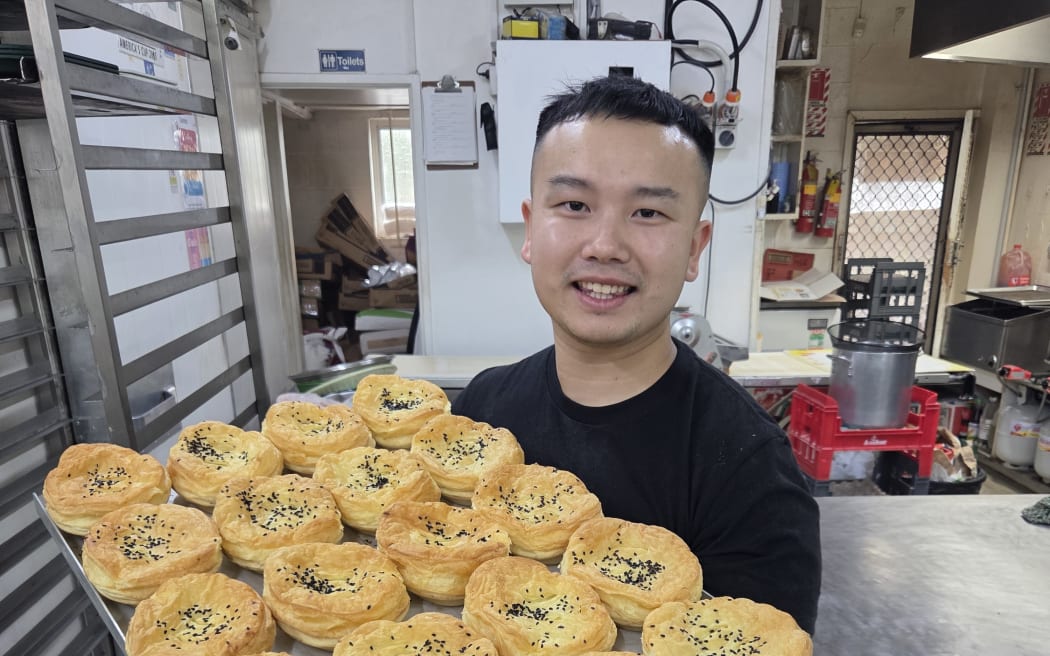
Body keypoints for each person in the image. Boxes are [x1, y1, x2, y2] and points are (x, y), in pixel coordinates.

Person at [450, 75, 821, 634]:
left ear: (695, 249)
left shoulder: (748, 468)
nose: (605, 245)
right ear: (531, 229)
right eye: (574, 204)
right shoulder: (480, 411)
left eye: (647, 213)